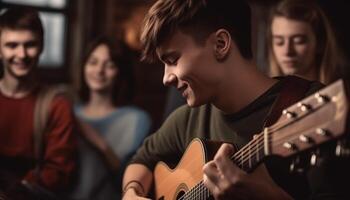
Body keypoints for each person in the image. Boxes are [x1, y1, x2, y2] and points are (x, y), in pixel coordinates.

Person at [121, 0, 350, 199]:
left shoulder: (311, 106)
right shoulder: (186, 119)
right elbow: (142, 159)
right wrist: (132, 191)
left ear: (221, 44)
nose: (165, 78)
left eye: (173, 59)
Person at [0, 7, 77, 200]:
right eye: (12, 45)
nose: (22, 54)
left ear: (42, 46)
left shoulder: (56, 105)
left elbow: (59, 173)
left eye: (30, 44)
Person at [69, 36, 151, 200]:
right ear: (83, 67)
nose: (99, 70)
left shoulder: (137, 120)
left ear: (120, 72)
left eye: (110, 65)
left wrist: (100, 144)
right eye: (93, 62)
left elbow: (131, 181)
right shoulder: (69, 114)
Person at [267, 0, 346, 85]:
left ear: (320, 43)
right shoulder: (266, 95)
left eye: (299, 41)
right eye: (279, 42)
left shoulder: (344, 93)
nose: (287, 51)